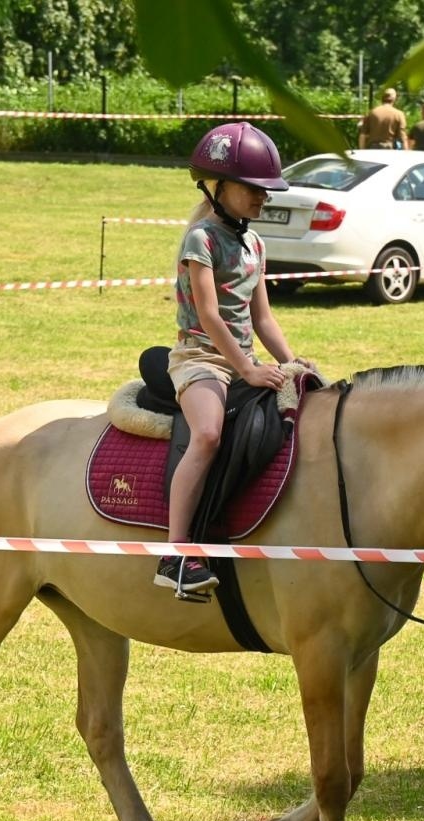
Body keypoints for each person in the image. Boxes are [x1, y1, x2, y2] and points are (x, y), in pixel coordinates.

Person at [159, 123, 314, 594]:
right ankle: (176, 555)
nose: (262, 199)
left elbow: (263, 319)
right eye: (254, 189)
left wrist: (293, 362)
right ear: (218, 186)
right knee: (207, 435)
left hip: (240, 359)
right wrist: (246, 369)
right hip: (199, 358)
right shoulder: (200, 241)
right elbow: (208, 314)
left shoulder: (256, 245)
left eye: (266, 191)